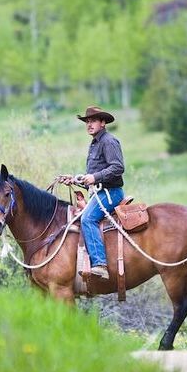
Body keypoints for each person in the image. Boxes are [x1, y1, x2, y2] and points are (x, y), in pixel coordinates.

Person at [63, 106, 125, 279]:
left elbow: (118, 167)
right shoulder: (95, 143)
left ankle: (100, 264)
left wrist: (95, 177)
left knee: (87, 218)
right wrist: (76, 180)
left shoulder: (108, 141)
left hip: (112, 193)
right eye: (87, 121)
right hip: (101, 192)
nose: (89, 124)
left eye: (93, 121)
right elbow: (93, 180)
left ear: (103, 123)